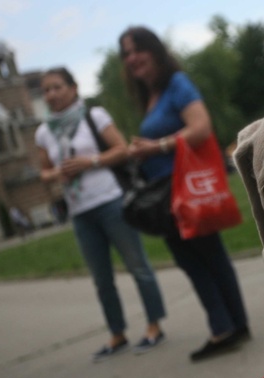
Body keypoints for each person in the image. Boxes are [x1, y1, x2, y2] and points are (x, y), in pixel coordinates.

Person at [119, 26, 250, 362]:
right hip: (170, 195)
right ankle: (235, 325)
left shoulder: (177, 84)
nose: (131, 58)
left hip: (181, 192)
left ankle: (224, 329)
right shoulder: (152, 95)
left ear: (155, 50)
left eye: (137, 50)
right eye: (126, 54)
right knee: (206, 258)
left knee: (200, 260)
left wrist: (156, 146)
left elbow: (201, 127)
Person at [35, 67, 167, 362]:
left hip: (110, 201)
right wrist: (58, 173)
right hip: (79, 212)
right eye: (45, 90)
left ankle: (154, 325)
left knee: (138, 266)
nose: (51, 95)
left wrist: (89, 162)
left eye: (57, 87)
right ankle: (117, 334)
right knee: (101, 279)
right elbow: (43, 172)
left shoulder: (94, 117)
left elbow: (123, 149)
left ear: (73, 87)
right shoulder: (43, 132)